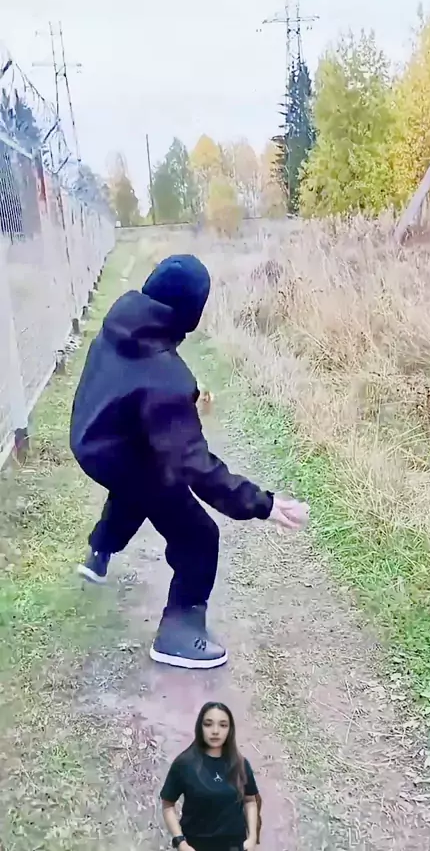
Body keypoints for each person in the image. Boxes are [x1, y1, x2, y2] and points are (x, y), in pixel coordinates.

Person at [70, 254, 309, 670]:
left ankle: (99, 552)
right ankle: (178, 632)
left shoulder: (117, 325)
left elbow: (134, 384)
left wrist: (184, 394)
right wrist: (264, 504)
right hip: (121, 451)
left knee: (134, 490)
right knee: (197, 535)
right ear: (191, 315)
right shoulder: (166, 378)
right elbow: (195, 465)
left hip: (91, 441)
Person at [161, 702, 260, 851]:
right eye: (208, 724)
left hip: (234, 846)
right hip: (195, 846)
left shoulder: (240, 763)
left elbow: (250, 801)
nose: (215, 731)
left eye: (223, 725)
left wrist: (252, 838)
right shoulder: (184, 764)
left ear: (230, 729)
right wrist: (180, 842)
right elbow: (168, 805)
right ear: (200, 727)